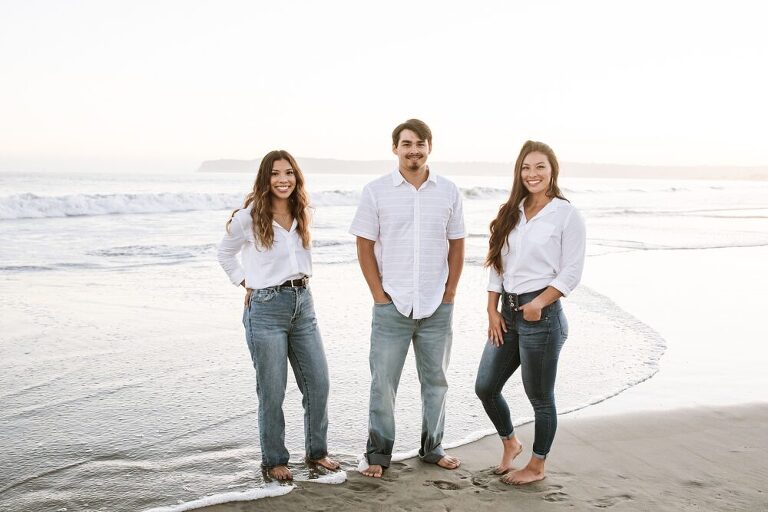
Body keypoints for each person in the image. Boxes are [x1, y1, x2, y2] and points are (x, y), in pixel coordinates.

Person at [349, 119, 466, 478]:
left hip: (436, 305)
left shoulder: (448, 191)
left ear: (430, 146)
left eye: (420, 143)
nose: (413, 150)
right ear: (395, 148)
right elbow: (364, 245)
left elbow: (458, 244)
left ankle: (433, 448)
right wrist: (378, 296)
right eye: (406, 143)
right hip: (392, 305)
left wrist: (450, 293)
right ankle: (378, 455)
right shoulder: (376, 191)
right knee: (382, 384)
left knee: (436, 383)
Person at [217, 149, 339, 481]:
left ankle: (317, 454)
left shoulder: (303, 211)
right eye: (275, 174)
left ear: (296, 176)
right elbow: (225, 254)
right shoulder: (248, 217)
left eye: (288, 173)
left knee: (318, 382)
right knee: (272, 390)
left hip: (304, 304)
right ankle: (274, 460)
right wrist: (246, 282)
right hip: (266, 309)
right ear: (265, 178)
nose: (282, 179)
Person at [474, 140, 586, 485]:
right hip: (506, 312)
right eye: (526, 167)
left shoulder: (566, 214)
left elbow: (571, 272)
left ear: (552, 171)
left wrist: (539, 303)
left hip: (542, 315)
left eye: (540, 167)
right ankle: (511, 442)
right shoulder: (511, 210)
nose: (532, 174)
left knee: (539, 397)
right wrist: (491, 310)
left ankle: (537, 466)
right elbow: (497, 264)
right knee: (485, 386)